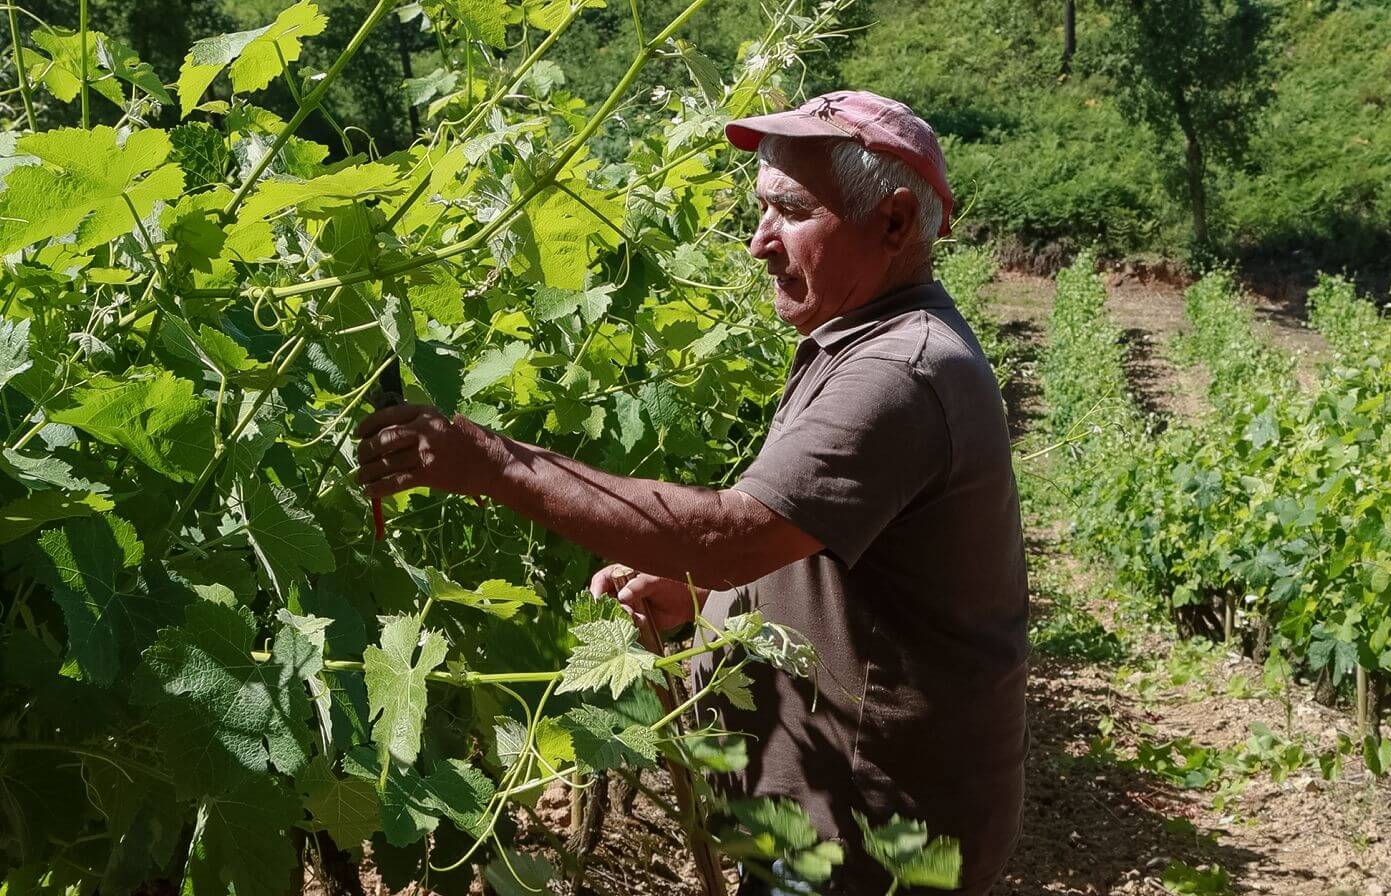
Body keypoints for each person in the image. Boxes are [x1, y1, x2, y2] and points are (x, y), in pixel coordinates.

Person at [355, 90, 1027, 895]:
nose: (756, 243)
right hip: (825, 813)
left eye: (789, 210)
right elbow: (806, 545)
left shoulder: (898, 371)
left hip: (871, 836)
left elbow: (734, 535)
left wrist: (492, 464)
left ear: (891, 224)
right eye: (758, 209)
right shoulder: (856, 340)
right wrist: (704, 600)